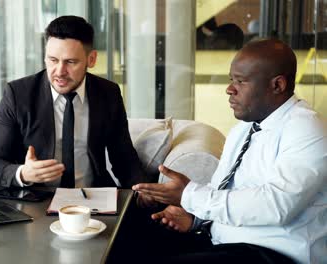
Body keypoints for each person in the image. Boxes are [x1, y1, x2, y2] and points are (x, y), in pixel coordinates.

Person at [132, 39, 326, 263]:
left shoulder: (307, 129)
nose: (229, 89)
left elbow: (276, 206)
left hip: (272, 254)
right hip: (224, 243)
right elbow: (222, 192)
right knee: (130, 240)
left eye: (241, 81)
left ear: (277, 85)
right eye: (231, 80)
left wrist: (189, 195)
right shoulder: (244, 127)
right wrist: (194, 217)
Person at [0, 16, 147, 188]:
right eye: (53, 60)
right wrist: (23, 173)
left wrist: (143, 190)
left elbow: (123, 159)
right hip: (36, 200)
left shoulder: (108, 94)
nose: (60, 72)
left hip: (92, 198)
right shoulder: (18, 95)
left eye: (70, 62)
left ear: (91, 59)